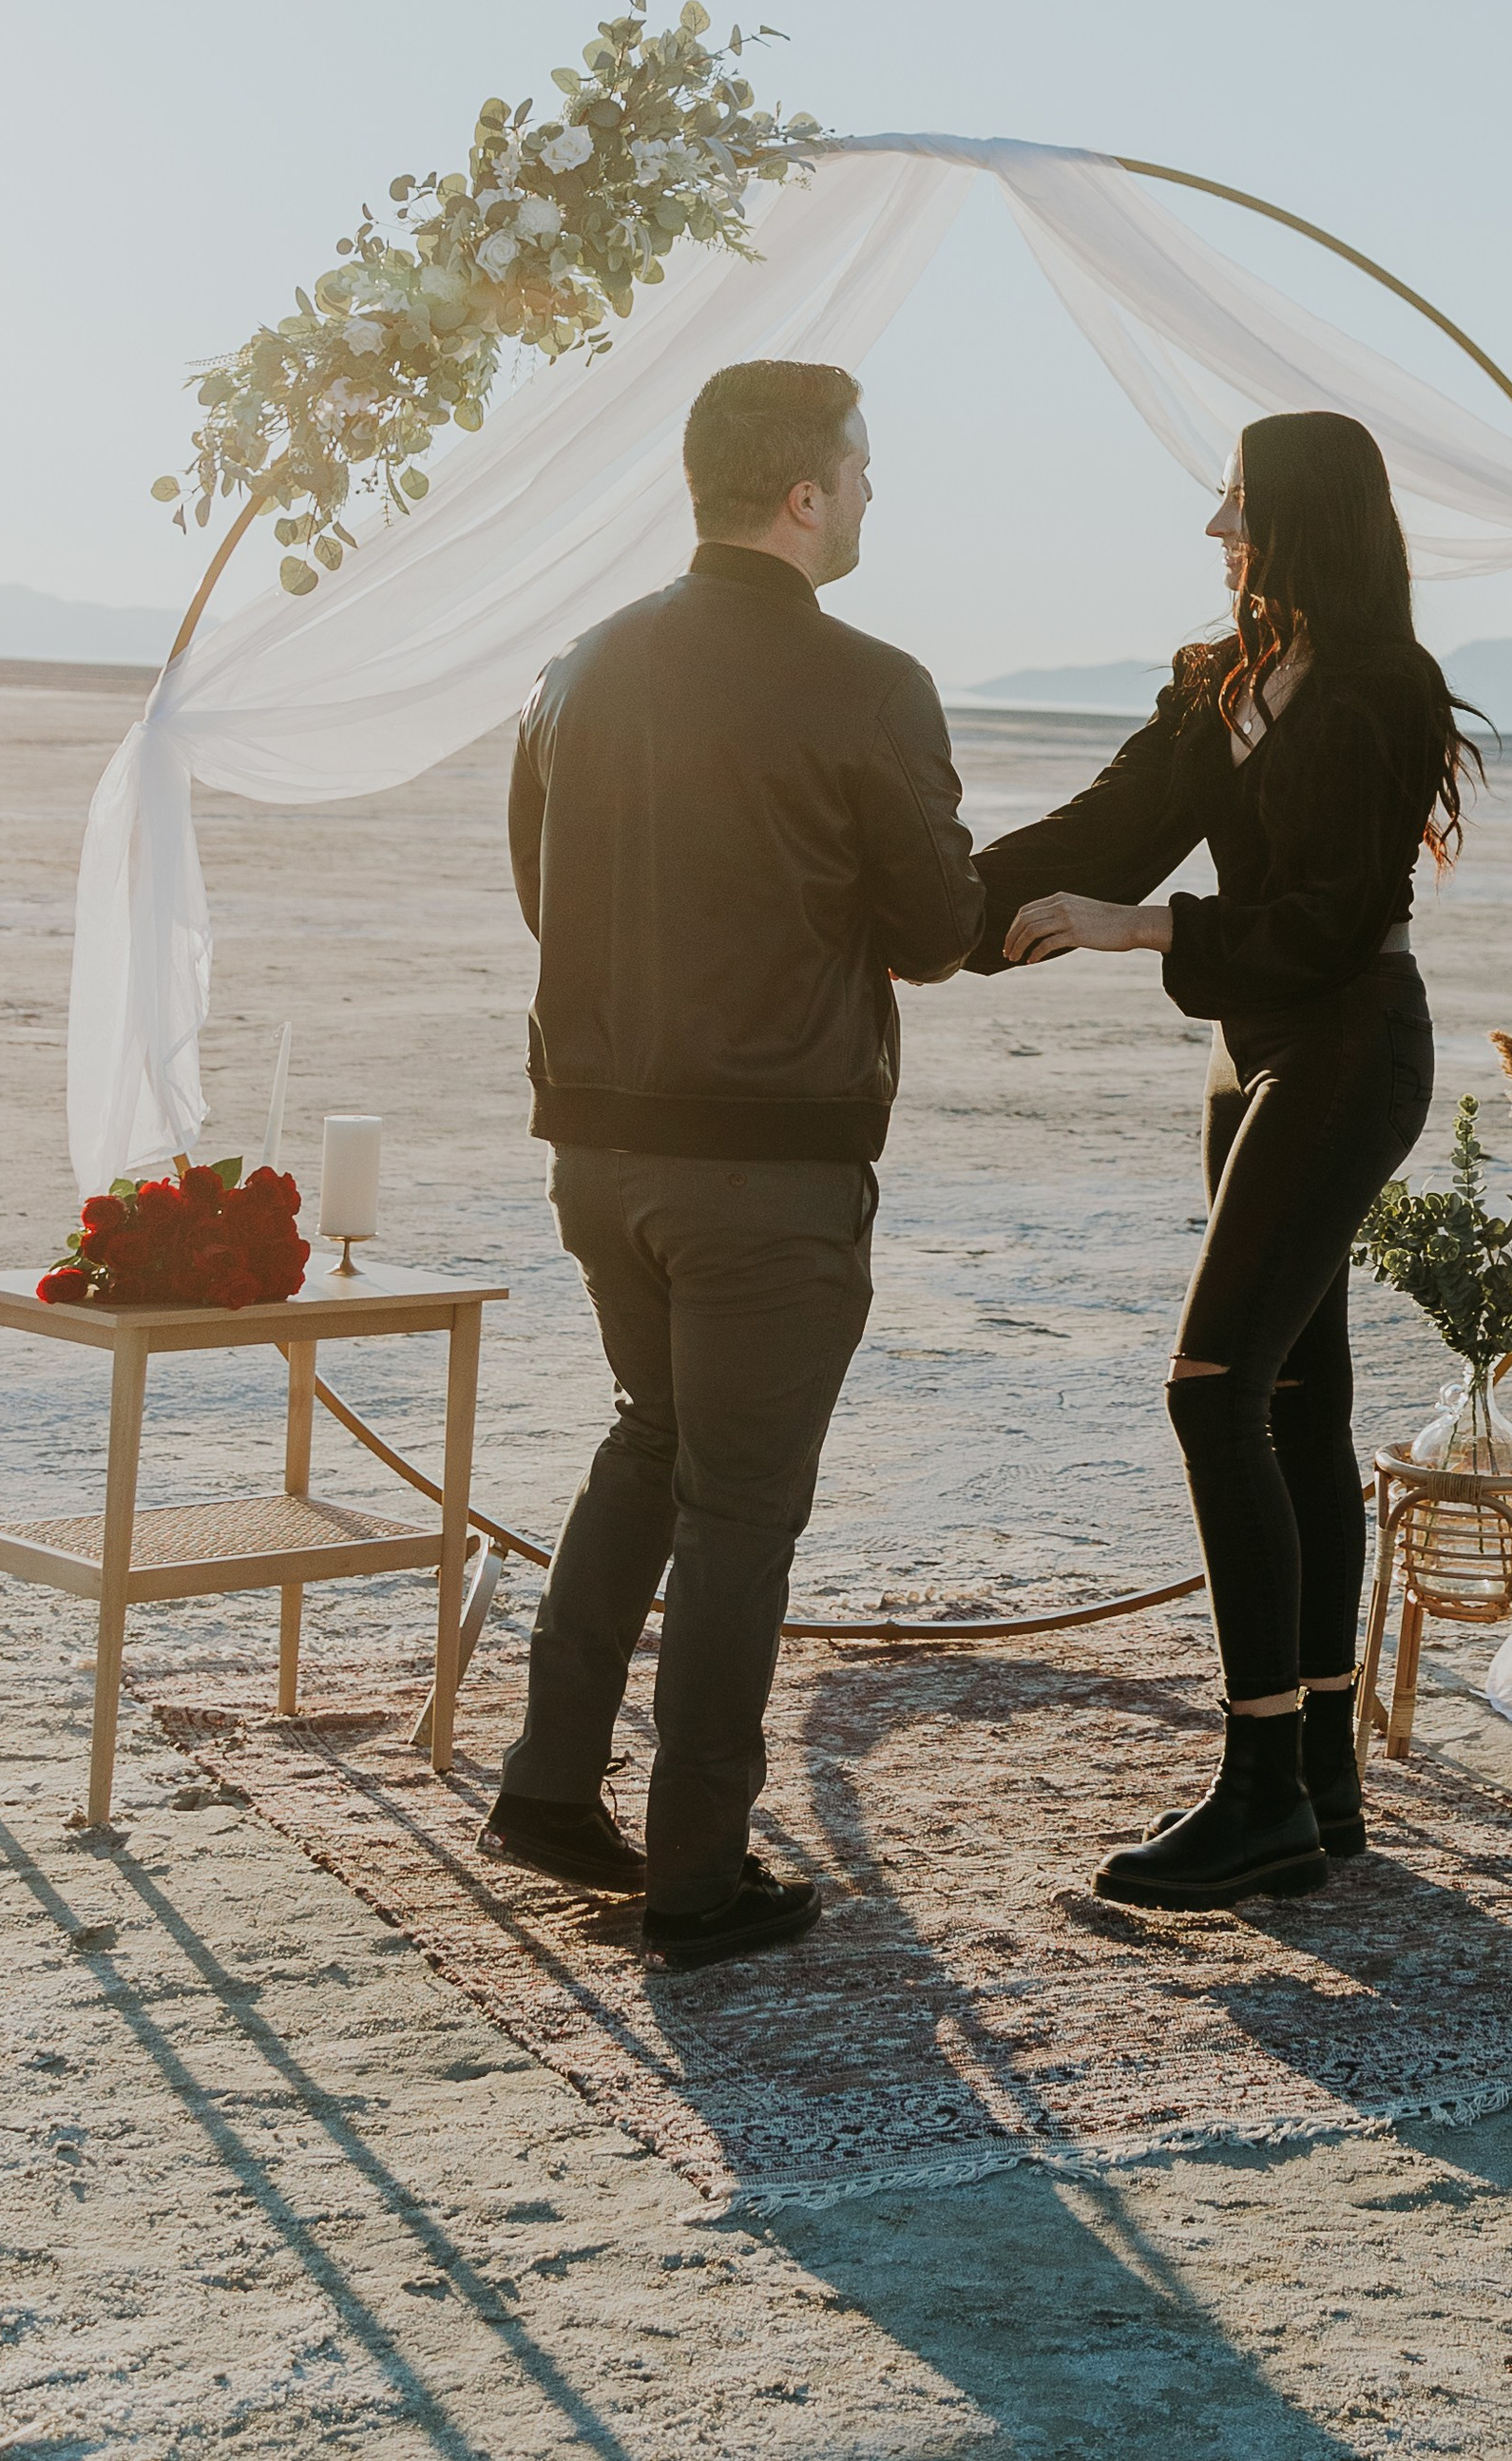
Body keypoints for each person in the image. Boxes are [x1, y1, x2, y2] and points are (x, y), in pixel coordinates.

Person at [482, 359, 984, 1966]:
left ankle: (551, 1784)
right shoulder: (872, 683)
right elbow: (932, 931)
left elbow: (535, 880)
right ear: (806, 493)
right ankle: (698, 1871)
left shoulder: (579, 666)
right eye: (864, 464)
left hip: (595, 1149)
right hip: (764, 1172)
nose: (874, 496)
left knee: (655, 1438)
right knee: (742, 1509)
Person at [971, 411, 1479, 1907]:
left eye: (1238, 504)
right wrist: (925, 914)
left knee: (1213, 1392)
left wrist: (1147, 929)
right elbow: (1108, 830)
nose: (1216, 534)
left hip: (1349, 1044)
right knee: (1301, 1403)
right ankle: (1321, 1781)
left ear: (1305, 517)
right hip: (1247, 1050)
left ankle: (1256, 1785)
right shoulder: (1219, 686)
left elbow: (1328, 921)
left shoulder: (1389, 690)